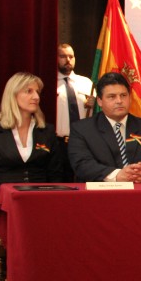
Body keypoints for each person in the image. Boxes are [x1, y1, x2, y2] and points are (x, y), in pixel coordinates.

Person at [0, 72, 64, 233]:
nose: (36, 97)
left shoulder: (47, 131)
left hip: (41, 208)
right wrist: (6, 198)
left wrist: (47, 200)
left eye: (37, 92)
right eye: (29, 91)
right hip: (3, 209)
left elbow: (56, 177)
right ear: (12, 95)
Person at [68, 72, 141, 182]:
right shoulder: (82, 129)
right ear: (100, 101)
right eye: (112, 97)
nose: (119, 101)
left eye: (123, 95)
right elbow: (82, 164)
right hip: (101, 190)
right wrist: (116, 175)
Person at [56, 43, 95, 181]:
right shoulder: (49, 83)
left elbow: (99, 112)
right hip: (59, 143)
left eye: (71, 56)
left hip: (83, 141)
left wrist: (95, 104)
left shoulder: (87, 83)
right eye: (63, 56)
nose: (68, 60)